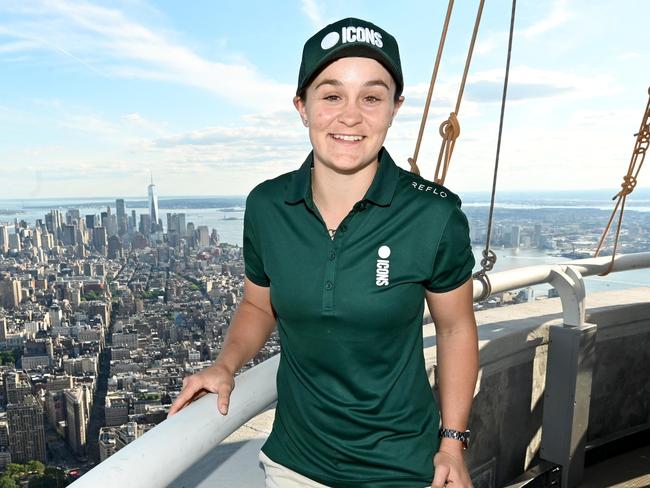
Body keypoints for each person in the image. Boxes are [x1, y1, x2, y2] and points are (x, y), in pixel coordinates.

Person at [168, 17, 478, 488]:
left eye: (371, 97)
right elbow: (258, 303)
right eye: (331, 95)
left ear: (395, 108)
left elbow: (456, 328)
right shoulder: (268, 205)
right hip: (293, 465)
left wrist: (452, 442)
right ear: (302, 106)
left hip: (403, 468)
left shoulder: (433, 214)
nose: (350, 116)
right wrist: (226, 364)